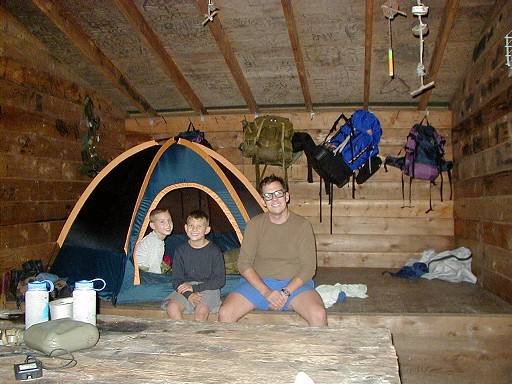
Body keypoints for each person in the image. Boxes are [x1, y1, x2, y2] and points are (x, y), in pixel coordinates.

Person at [219, 175, 327, 326]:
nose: (274, 199)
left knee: (318, 314)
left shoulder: (302, 226)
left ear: (287, 196)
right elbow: (244, 264)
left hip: (293, 286)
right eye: (268, 196)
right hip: (258, 285)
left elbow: (308, 269)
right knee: (225, 313)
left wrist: (285, 293)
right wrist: (266, 292)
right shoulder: (254, 225)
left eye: (278, 193)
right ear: (263, 201)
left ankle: (320, 350)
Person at [166, 210, 226, 321]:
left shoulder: (214, 251)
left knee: (201, 310)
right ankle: (181, 335)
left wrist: (195, 288)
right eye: (191, 226)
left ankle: (196, 337)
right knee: (172, 308)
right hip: (186, 288)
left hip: (208, 287)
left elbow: (220, 280)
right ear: (185, 228)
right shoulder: (180, 251)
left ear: (207, 230)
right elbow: (176, 280)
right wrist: (189, 294)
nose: (194, 229)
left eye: (199, 226)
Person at [135, 208, 173, 274]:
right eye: (162, 221)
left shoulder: (153, 237)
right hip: (142, 272)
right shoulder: (156, 243)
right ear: (153, 225)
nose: (168, 224)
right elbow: (154, 269)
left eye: (169, 220)